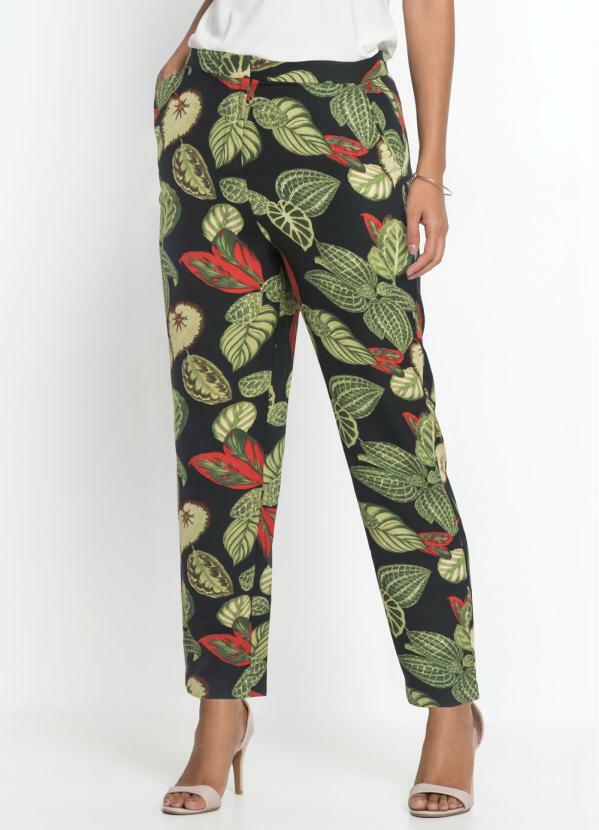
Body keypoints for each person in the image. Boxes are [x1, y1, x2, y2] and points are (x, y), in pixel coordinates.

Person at [154, 0, 482, 818]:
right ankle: (221, 710)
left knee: (393, 433)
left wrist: (429, 170)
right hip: (209, 115)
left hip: (341, 120)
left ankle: (450, 707)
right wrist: (189, 44)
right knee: (217, 430)